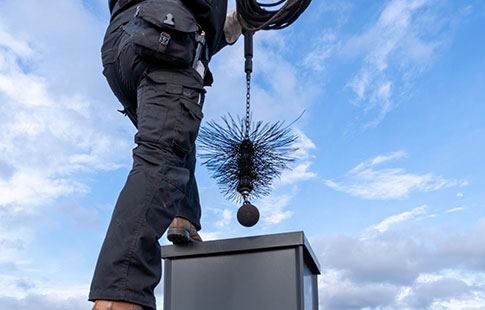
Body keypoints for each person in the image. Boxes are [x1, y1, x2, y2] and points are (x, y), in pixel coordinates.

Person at [89, 0, 241, 309]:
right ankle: (121, 296)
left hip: (121, 49)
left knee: (174, 134)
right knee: (161, 156)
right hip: (166, 35)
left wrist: (231, 26)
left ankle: (184, 217)